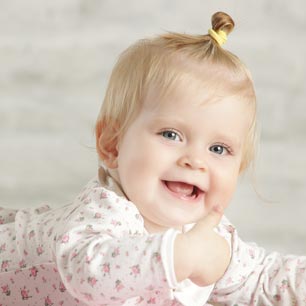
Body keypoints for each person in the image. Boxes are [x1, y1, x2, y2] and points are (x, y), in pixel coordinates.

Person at [0, 11, 306, 306]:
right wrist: (179, 256)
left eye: (218, 149)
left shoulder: (207, 234)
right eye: (171, 134)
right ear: (113, 145)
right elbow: (90, 273)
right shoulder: (105, 213)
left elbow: (264, 279)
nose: (195, 161)